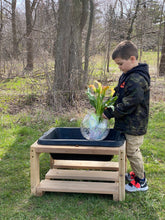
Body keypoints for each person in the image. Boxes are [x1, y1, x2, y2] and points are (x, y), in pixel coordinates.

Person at [103, 40, 150, 192]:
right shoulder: (127, 75)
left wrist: (109, 113)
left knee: (132, 151)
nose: (119, 67)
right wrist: (108, 103)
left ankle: (141, 181)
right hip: (125, 122)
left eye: (120, 63)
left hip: (134, 125)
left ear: (132, 59)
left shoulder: (137, 79)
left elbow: (130, 103)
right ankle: (131, 174)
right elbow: (119, 93)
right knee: (125, 149)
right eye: (117, 64)